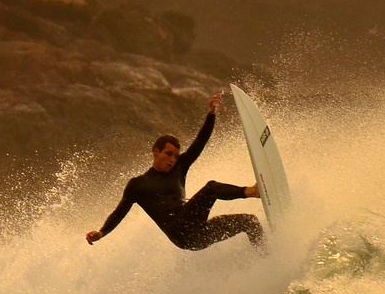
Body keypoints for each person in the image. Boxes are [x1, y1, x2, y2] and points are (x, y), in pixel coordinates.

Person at [86, 90, 265, 251]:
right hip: (179, 232)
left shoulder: (179, 167)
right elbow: (119, 213)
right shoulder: (138, 185)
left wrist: (211, 114)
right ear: (156, 152)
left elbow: (200, 142)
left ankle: (266, 256)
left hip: (198, 234)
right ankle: (252, 191)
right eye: (169, 154)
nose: (172, 160)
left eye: (175, 156)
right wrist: (102, 232)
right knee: (211, 188)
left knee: (249, 221)